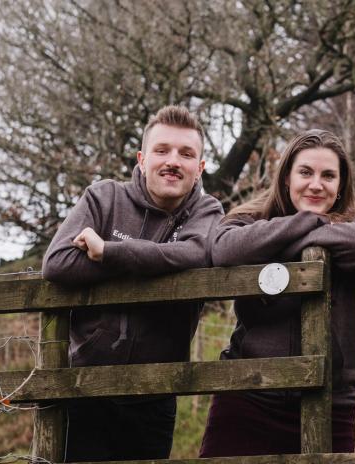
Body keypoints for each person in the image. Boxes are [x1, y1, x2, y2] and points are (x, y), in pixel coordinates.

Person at [41, 105, 224, 461]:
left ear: (199, 167)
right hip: (85, 388)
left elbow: (195, 255)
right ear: (142, 158)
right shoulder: (103, 197)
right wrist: (155, 262)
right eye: (162, 150)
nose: (173, 161)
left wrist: (107, 251)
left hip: (155, 394)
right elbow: (57, 263)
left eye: (186, 154)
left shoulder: (206, 212)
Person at [199, 129, 355, 456]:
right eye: (305, 172)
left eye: (328, 175)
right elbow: (224, 250)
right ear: (286, 177)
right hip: (247, 394)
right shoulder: (249, 218)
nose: (316, 184)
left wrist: (277, 243)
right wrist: (309, 224)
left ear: (341, 184)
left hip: (331, 402)